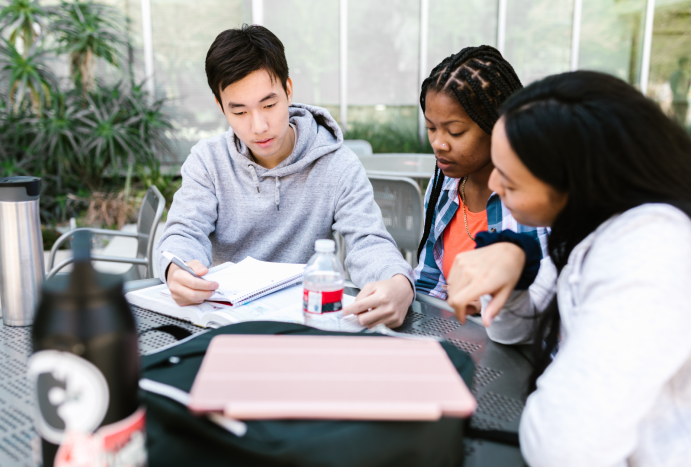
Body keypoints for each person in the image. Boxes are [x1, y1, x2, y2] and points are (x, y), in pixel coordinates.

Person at [447, 71, 691, 466]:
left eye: (510, 178)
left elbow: (565, 443)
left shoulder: (653, 248)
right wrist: (517, 263)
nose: (493, 183)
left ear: (579, 183)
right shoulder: (587, 229)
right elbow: (512, 330)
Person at [156, 25, 414, 328]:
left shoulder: (337, 164)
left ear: (288, 90)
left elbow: (369, 242)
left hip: (304, 322)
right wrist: (177, 269)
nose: (259, 126)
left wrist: (399, 284)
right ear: (220, 106)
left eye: (269, 104)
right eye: (239, 112)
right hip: (225, 322)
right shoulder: (208, 160)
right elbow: (183, 234)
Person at [413, 45, 548, 311]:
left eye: (455, 132)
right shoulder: (444, 181)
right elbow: (429, 281)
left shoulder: (538, 194)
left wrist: (498, 301)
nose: (438, 143)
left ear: (498, 125)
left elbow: (556, 294)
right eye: (431, 127)